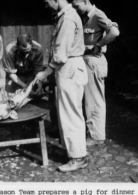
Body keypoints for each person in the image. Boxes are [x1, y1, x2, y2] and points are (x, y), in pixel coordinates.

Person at [37, 0, 88, 172]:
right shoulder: (66, 16)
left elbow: (61, 53)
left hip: (70, 67)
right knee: (70, 112)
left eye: (46, 2)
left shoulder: (67, 18)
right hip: (69, 67)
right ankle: (76, 152)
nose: (46, 6)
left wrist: (45, 73)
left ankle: (77, 157)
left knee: (70, 114)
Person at [71, 0, 120, 146]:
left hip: (94, 61)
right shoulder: (85, 16)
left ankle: (96, 136)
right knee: (88, 99)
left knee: (94, 100)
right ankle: (91, 131)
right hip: (86, 61)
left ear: (85, 1)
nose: (74, 8)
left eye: (76, 5)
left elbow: (115, 32)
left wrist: (99, 45)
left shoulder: (98, 15)